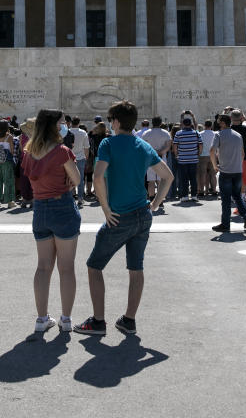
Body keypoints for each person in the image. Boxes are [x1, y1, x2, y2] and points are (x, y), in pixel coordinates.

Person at [74, 101, 173, 337]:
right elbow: (167, 177)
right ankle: (129, 319)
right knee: (135, 268)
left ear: (116, 122)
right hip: (143, 214)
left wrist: (106, 209)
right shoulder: (143, 145)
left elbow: (97, 177)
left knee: (94, 266)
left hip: (120, 216)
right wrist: (156, 204)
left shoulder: (108, 143)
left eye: (110, 120)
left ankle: (98, 322)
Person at [21, 109, 83, 333]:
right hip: (62, 206)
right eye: (62, 122)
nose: (64, 125)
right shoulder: (62, 151)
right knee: (66, 268)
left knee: (43, 267)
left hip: (40, 208)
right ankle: (66, 319)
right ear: (54, 126)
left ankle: (41, 318)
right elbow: (76, 179)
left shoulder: (29, 153)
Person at [209, 114, 246, 232]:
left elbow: (212, 150)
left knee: (226, 199)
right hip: (237, 170)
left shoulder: (219, 135)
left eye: (218, 121)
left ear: (222, 123)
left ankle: (225, 224)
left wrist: (214, 165)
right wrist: (238, 164)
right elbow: (242, 153)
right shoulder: (238, 135)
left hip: (225, 170)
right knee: (237, 196)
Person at [140, 117, 171, 205]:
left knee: (151, 181)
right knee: (160, 180)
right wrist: (161, 152)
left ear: (152, 123)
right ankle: (160, 200)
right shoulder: (165, 133)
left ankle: (151, 199)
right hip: (161, 157)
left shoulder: (146, 133)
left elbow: (143, 146)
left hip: (150, 157)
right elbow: (168, 146)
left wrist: (153, 152)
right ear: (160, 123)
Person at [172, 117, 202, 202]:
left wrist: (177, 155)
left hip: (182, 159)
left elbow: (175, 145)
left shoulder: (178, 133)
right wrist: (198, 154)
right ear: (190, 124)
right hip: (193, 159)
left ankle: (185, 195)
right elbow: (200, 144)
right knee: (193, 178)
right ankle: (194, 195)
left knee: (183, 179)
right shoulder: (196, 133)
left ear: (184, 124)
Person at [0, 120, 16, 207]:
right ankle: (10, 202)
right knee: (8, 180)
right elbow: (12, 150)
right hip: (7, 160)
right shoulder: (9, 136)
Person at [198, 120, 217, 198]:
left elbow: (199, 145)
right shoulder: (215, 134)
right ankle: (214, 190)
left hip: (203, 155)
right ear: (211, 126)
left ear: (204, 125)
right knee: (213, 174)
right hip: (213, 155)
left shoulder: (200, 134)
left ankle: (202, 191)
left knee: (202, 174)